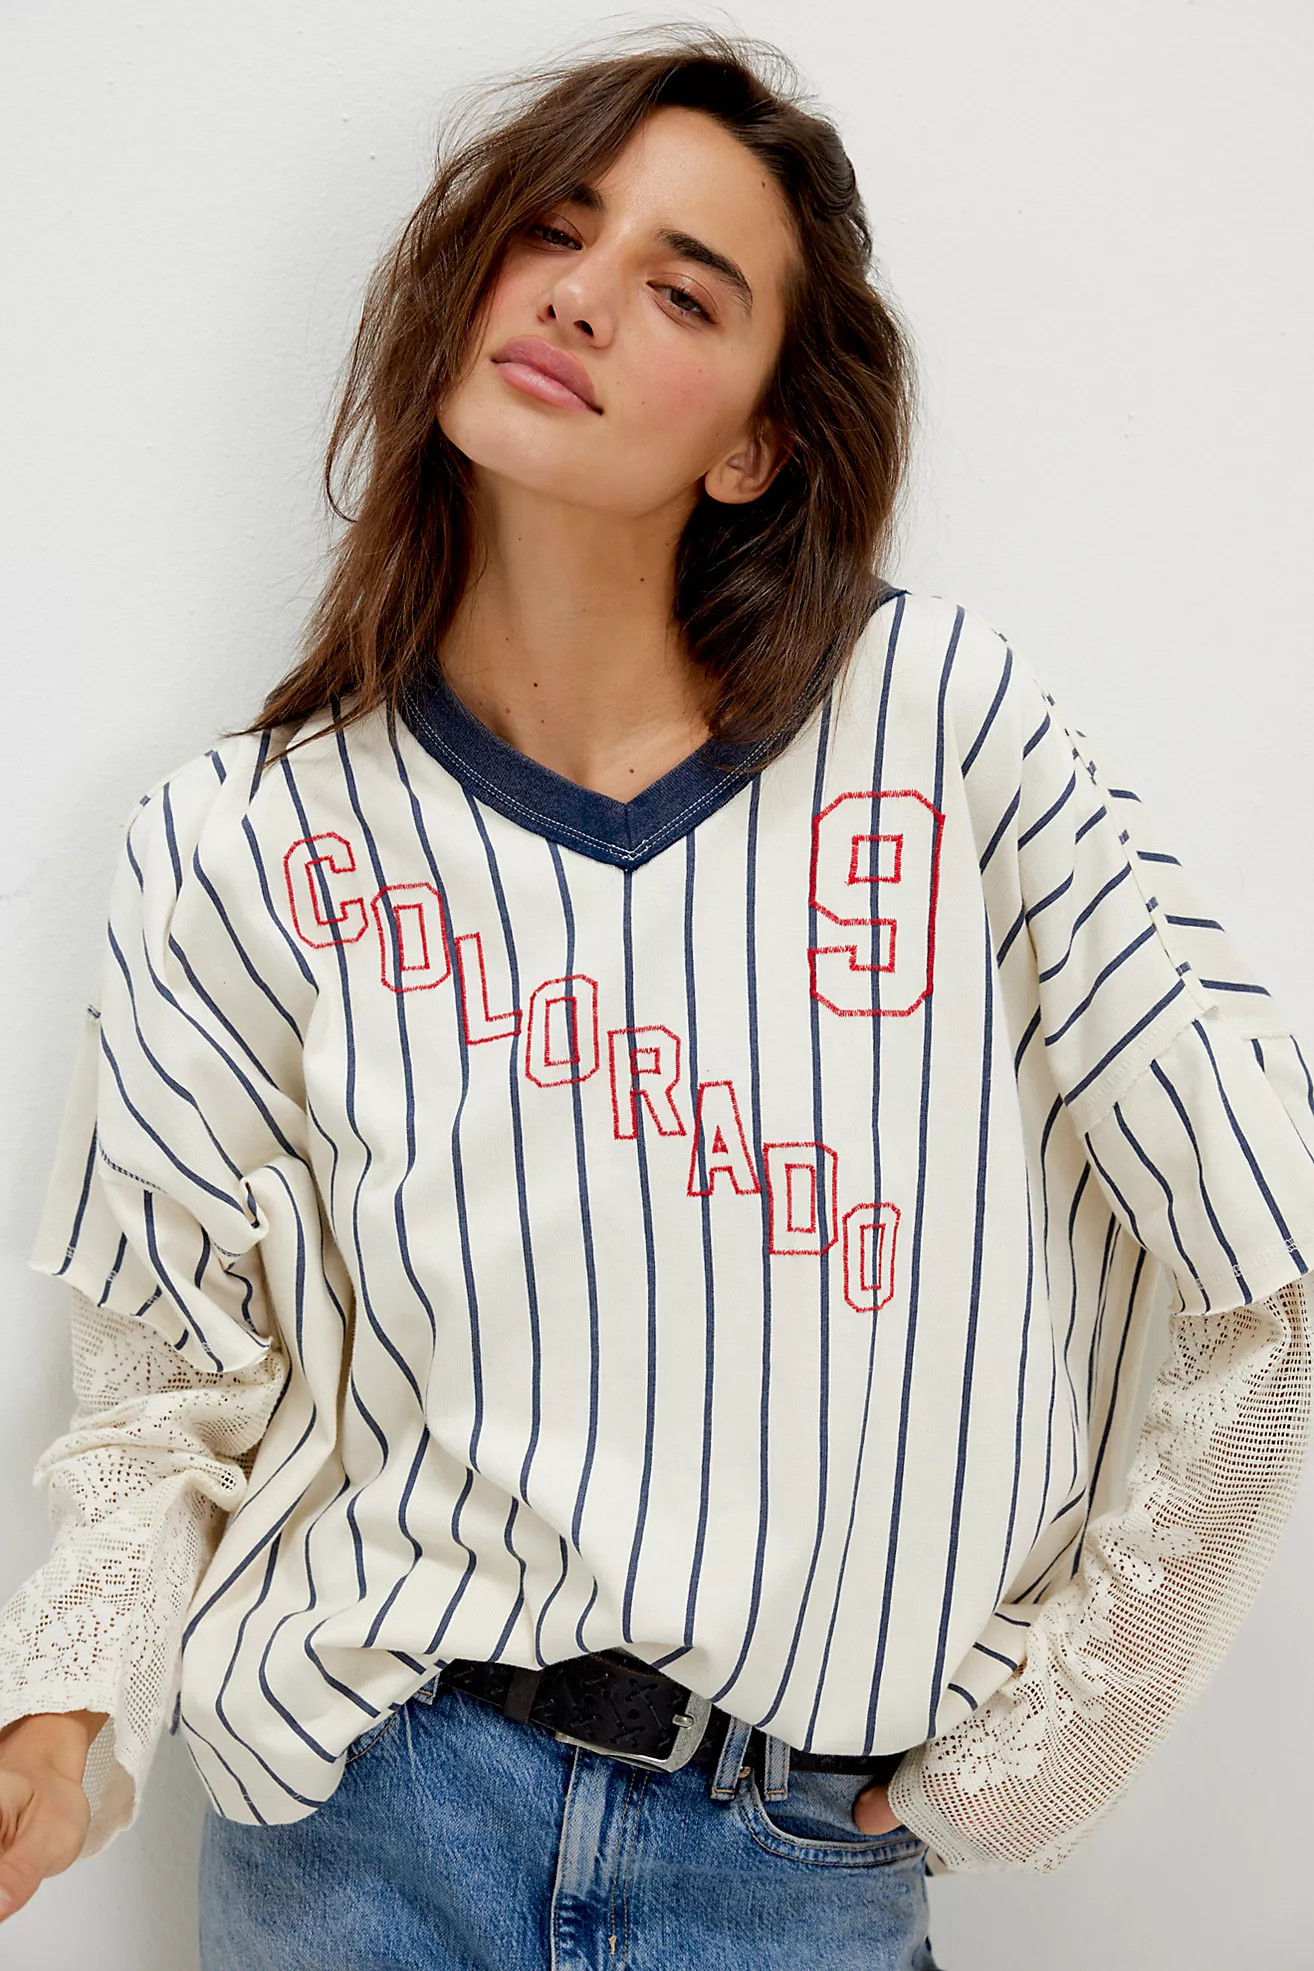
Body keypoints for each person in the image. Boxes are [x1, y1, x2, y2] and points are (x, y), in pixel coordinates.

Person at [1, 26, 1311, 1971]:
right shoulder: (243, 836)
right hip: (360, 1835)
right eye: (553, 228)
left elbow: (1262, 1243)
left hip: (784, 1866)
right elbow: (171, 1390)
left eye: (685, 290)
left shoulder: (940, 732)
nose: (581, 296)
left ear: (755, 441)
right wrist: (60, 1720)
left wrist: (1035, 1756)